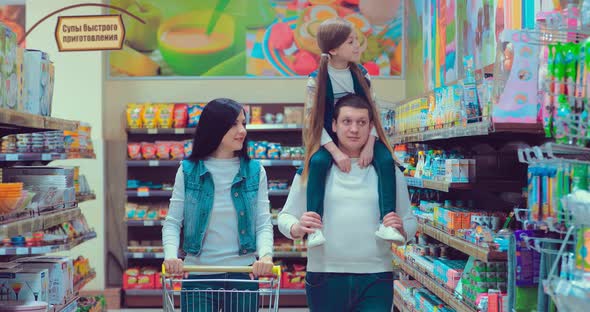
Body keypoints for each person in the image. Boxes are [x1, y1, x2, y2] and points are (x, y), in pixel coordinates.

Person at [278, 94, 417, 312]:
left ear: (371, 127)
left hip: (376, 278)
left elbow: (409, 220)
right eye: (347, 121)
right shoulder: (313, 171)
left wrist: (402, 229)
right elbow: (284, 217)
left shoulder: (388, 172)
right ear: (333, 125)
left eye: (361, 122)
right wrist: (296, 227)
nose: (354, 129)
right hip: (324, 276)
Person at [162, 98, 274, 312]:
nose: (242, 130)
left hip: (242, 274)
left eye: (243, 123)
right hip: (198, 276)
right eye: (234, 124)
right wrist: (170, 256)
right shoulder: (188, 170)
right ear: (215, 128)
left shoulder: (254, 171)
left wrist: (266, 254)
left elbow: (263, 223)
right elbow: (173, 222)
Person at [303, 17, 404, 247]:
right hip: (329, 138)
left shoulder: (362, 74)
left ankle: (387, 223)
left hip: (366, 135)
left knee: (386, 161)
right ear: (333, 49)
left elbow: (374, 114)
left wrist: (370, 144)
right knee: (317, 163)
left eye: (356, 40)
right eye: (351, 42)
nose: (358, 45)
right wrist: (335, 152)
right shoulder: (316, 79)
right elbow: (314, 122)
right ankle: (314, 229)